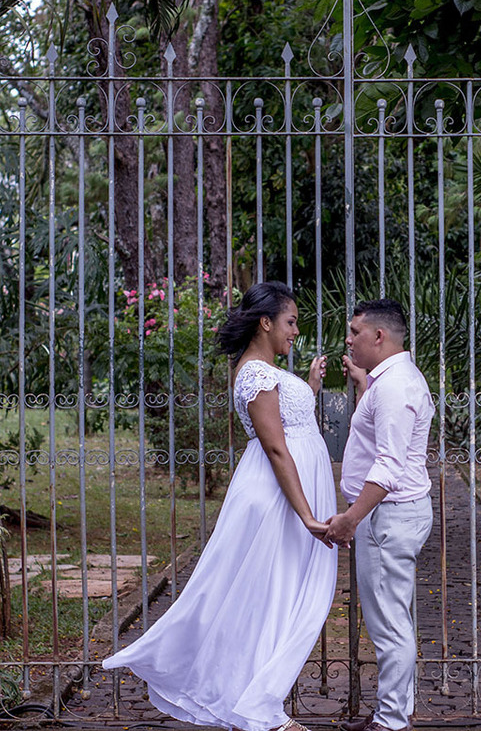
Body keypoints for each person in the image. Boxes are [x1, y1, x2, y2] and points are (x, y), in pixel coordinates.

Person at [102, 281, 336, 731]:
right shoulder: (254, 373)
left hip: (287, 496)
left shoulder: (268, 370)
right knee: (269, 597)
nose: (295, 332)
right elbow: (276, 448)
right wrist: (305, 513)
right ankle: (259, 709)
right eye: (290, 323)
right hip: (275, 500)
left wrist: (307, 385)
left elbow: (291, 423)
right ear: (265, 322)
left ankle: (256, 702)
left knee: (279, 597)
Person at [324, 299, 434, 731]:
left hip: (386, 518)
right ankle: (396, 713)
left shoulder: (394, 388)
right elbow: (385, 429)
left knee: (389, 627)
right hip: (391, 516)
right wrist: (362, 382)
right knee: (394, 619)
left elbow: (388, 465)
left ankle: (390, 723)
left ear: (378, 336)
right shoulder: (390, 381)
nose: (349, 339)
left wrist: (351, 517)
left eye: (354, 331)